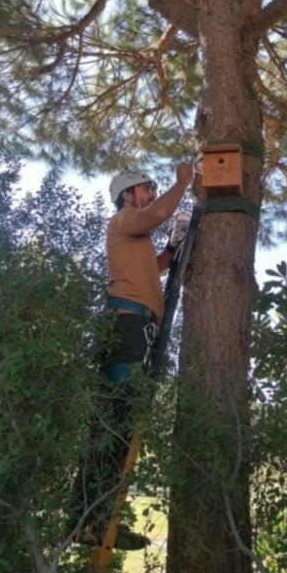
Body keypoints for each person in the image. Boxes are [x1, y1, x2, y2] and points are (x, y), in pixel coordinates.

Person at [72, 163, 194, 548]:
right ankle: (88, 522)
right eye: (147, 188)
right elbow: (155, 215)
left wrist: (173, 248)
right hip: (127, 327)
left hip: (135, 327)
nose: (154, 193)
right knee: (114, 424)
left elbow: (155, 268)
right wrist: (183, 182)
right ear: (128, 194)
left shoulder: (134, 236)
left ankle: (95, 520)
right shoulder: (123, 219)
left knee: (119, 426)